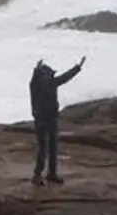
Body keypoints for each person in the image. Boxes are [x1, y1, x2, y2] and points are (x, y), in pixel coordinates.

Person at [29, 56, 85, 185]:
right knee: (43, 149)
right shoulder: (35, 86)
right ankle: (37, 175)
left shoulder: (53, 83)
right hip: (41, 121)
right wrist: (35, 70)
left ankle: (52, 174)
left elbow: (66, 77)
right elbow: (33, 80)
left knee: (53, 148)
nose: (48, 78)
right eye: (46, 75)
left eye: (49, 75)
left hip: (52, 119)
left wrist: (77, 67)